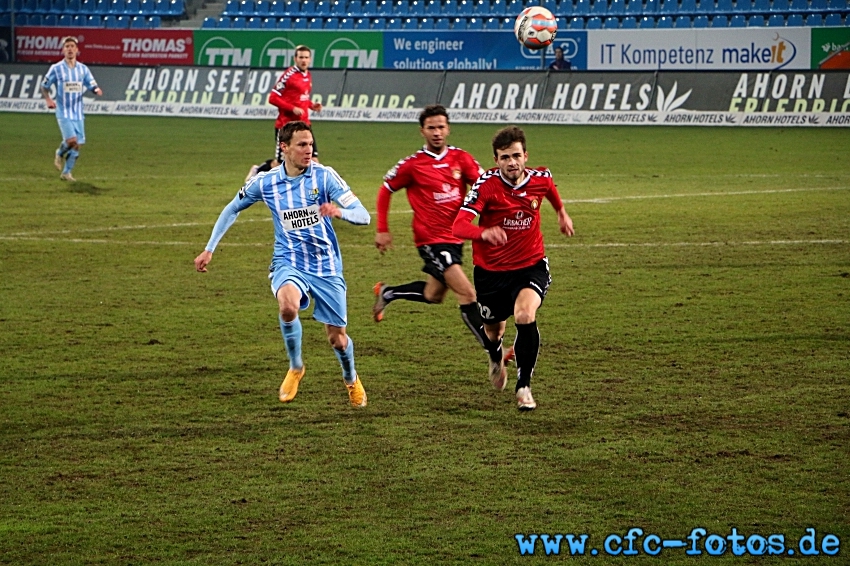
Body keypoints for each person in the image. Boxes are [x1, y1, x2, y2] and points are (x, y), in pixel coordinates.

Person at [195, 121, 371, 408]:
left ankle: (351, 379)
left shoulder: (325, 177)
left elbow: (364, 215)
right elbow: (232, 208)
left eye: (311, 144)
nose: (308, 150)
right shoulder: (265, 181)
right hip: (289, 261)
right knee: (288, 306)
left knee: (337, 340)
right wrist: (208, 249)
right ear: (284, 148)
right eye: (302, 145)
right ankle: (296, 366)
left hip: (326, 266)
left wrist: (340, 212)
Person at [372, 105, 513, 371]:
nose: (437, 132)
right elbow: (385, 189)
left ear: (448, 128)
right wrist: (382, 228)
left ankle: (388, 293)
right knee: (468, 293)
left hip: (456, 238)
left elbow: (484, 186)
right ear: (422, 131)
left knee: (433, 294)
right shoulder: (412, 165)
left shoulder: (461, 158)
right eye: (431, 128)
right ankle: (493, 351)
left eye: (441, 127)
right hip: (430, 240)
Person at [452, 126, 575, 411]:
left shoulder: (540, 178)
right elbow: (458, 225)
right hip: (491, 273)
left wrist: (561, 213)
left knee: (524, 314)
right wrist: (482, 233)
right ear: (496, 161)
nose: (512, 163)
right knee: (494, 332)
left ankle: (524, 386)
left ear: (525, 156)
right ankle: (495, 356)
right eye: (505, 157)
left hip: (530, 266)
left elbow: (550, 190)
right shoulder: (485, 186)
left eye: (516, 156)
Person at [246, 45, 323, 182]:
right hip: (286, 127)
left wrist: (312, 105)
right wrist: (292, 108)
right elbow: (273, 98)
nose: (303, 60)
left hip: (304, 126)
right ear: (295, 58)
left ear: (310, 59)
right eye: (301, 57)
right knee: (281, 163)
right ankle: (258, 171)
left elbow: (301, 97)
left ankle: (308, 192)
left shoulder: (307, 75)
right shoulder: (288, 76)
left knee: (312, 159)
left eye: (306, 57)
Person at [41, 36, 103, 182]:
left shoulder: (83, 69)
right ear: (63, 50)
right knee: (71, 141)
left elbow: (91, 83)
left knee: (77, 145)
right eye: (67, 46)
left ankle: (66, 173)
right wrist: (48, 99)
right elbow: (44, 86)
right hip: (63, 111)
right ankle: (59, 152)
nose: (69, 49)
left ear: (77, 50)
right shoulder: (56, 69)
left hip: (78, 112)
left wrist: (96, 89)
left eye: (72, 46)